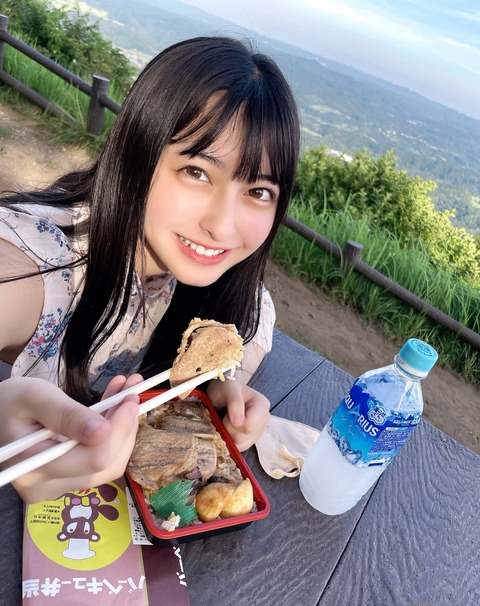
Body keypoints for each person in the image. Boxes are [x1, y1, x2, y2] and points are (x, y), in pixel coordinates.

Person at [0, 36, 300, 502]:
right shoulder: (40, 261)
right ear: (138, 152)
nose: (222, 227)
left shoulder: (214, 282)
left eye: (258, 192)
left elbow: (258, 311)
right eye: (197, 172)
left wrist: (227, 382)